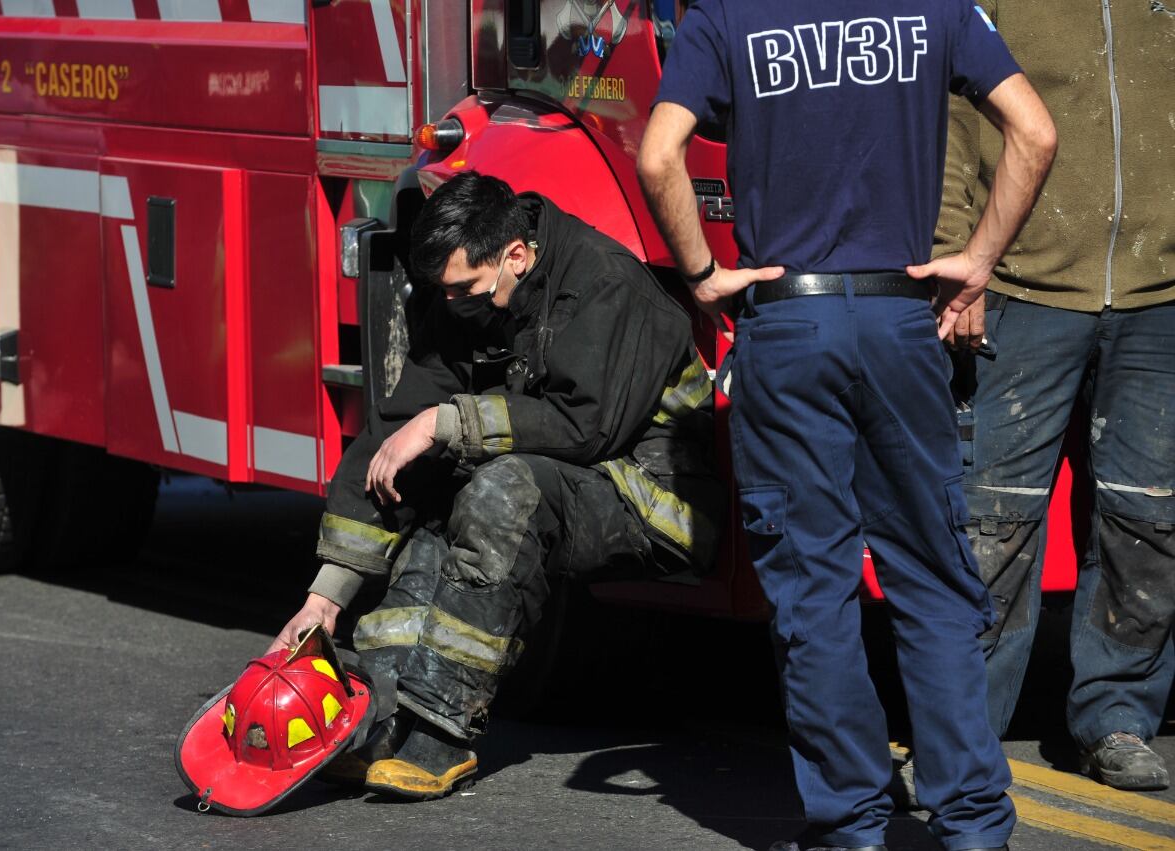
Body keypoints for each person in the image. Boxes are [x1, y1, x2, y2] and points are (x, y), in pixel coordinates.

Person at [637, 2, 1056, 849]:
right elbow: (1036, 133)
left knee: (814, 591)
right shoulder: (933, 6)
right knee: (934, 580)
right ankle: (975, 822)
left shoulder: (728, 15)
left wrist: (704, 273)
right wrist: (977, 261)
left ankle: (853, 824)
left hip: (788, 323)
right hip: (902, 320)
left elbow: (657, 156)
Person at [268, 171, 722, 800]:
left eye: (465, 288)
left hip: (651, 497)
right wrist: (326, 596)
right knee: (434, 477)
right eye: (444, 291)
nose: (453, 304)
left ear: (515, 254)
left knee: (499, 488)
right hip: (561, 475)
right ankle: (380, 715)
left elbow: (585, 429)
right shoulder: (474, 294)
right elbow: (398, 426)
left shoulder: (607, 284)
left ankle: (439, 733)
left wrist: (449, 421)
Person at [937, 0, 1174, 792]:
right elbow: (948, 120)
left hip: (1159, 296)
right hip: (1017, 287)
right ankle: (966, 731)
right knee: (992, 522)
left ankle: (1116, 717)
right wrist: (956, 261)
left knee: (1147, 522)